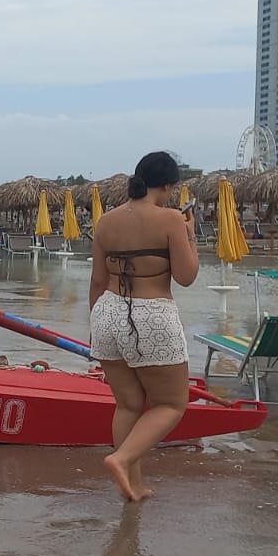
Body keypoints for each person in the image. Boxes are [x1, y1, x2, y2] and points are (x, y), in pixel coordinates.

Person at [88, 151, 199, 502]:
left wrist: (96, 329)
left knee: (129, 405)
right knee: (171, 404)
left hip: (106, 312)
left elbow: (96, 280)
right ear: (167, 185)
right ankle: (121, 459)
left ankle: (132, 485)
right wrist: (191, 235)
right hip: (151, 315)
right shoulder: (170, 220)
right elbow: (186, 276)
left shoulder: (105, 221)